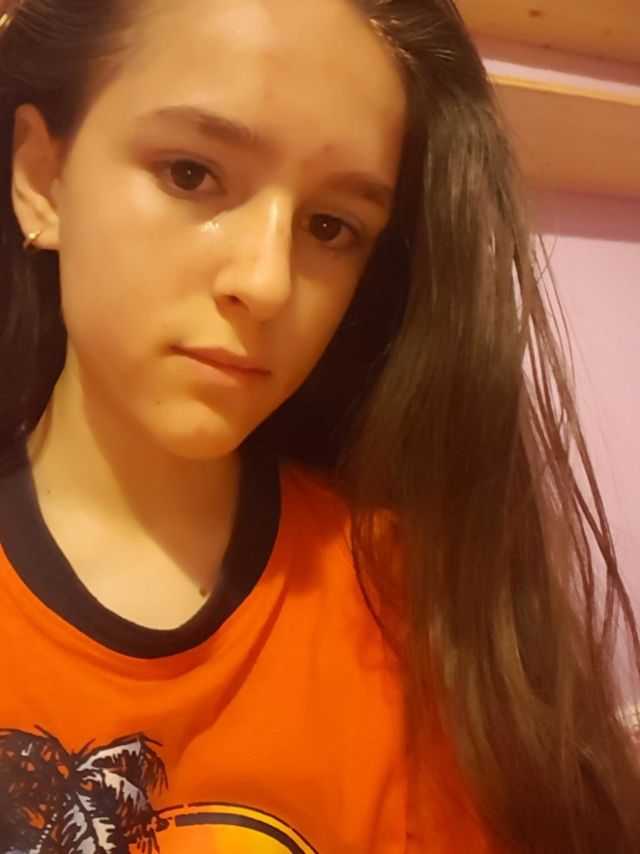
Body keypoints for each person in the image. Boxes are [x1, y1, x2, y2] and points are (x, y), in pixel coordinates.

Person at [0, 0, 638, 851]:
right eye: (191, 173)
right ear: (42, 179)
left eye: (331, 227)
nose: (267, 282)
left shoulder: (408, 598)